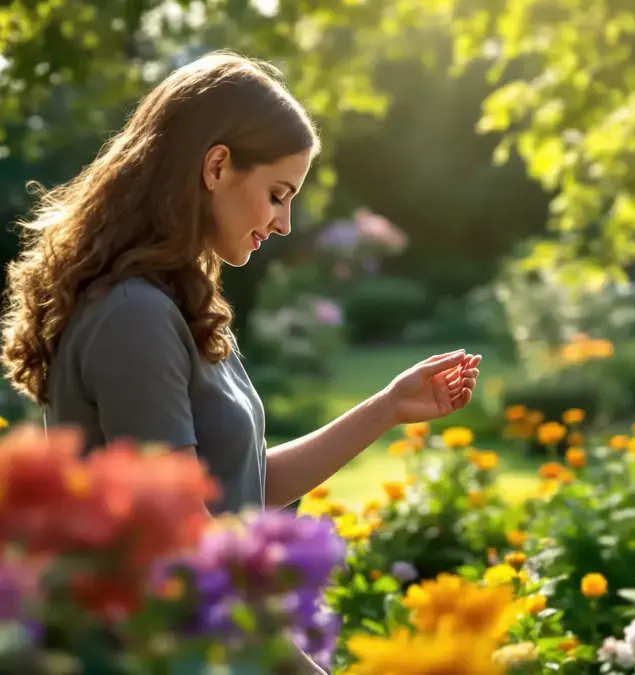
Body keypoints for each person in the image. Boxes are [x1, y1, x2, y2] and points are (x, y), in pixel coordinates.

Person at [0, 51, 481, 672]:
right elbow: (182, 540)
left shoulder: (168, 302)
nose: (284, 223)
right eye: (278, 195)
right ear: (218, 165)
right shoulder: (134, 315)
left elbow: (244, 487)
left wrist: (387, 408)